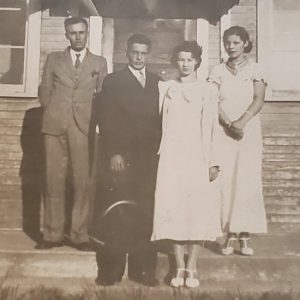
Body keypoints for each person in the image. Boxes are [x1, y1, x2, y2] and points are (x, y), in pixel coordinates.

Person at [151, 41, 222, 288]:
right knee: (174, 210)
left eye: (189, 59)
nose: (185, 64)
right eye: (180, 59)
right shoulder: (167, 88)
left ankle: (192, 266)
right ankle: (178, 266)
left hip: (197, 157)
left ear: (197, 61)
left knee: (196, 211)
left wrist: (213, 162)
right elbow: (160, 123)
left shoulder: (207, 90)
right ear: (175, 61)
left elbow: (213, 127)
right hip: (172, 157)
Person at [94, 34, 161, 286]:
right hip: (122, 158)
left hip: (149, 159)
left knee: (145, 213)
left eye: (143, 52)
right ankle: (111, 270)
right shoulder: (113, 81)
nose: (139, 57)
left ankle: (142, 270)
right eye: (134, 52)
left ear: (149, 54)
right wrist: (114, 152)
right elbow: (106, 118)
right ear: (127, 53)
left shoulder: (157, 82)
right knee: (119, 213)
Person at [36, 17, 107, 251]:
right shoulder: (54, 59)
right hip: (55, 127)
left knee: (82, 182)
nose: (78, 37)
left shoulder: (99, 62)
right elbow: (45, 91)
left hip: (84, 128)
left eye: (82, 32)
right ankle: (53, 234)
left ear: (87, 34)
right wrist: (56, 113)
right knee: (53, 180)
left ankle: (79, 234)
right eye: (73, 33)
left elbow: (102, 95)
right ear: (66, 35)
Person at [208, 26, 267, 256]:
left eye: (236, 42)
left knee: (246, 179)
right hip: (224, 130)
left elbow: (259, 98)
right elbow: (213, 100)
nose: (231, 47)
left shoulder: (255, 69)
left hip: (248, 130)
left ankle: (244, 234)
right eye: (228, 43)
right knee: (227, 179)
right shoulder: (218, 70)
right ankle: (229, 234)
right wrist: (228, 124)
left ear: (245, 43)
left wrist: (241, 123)